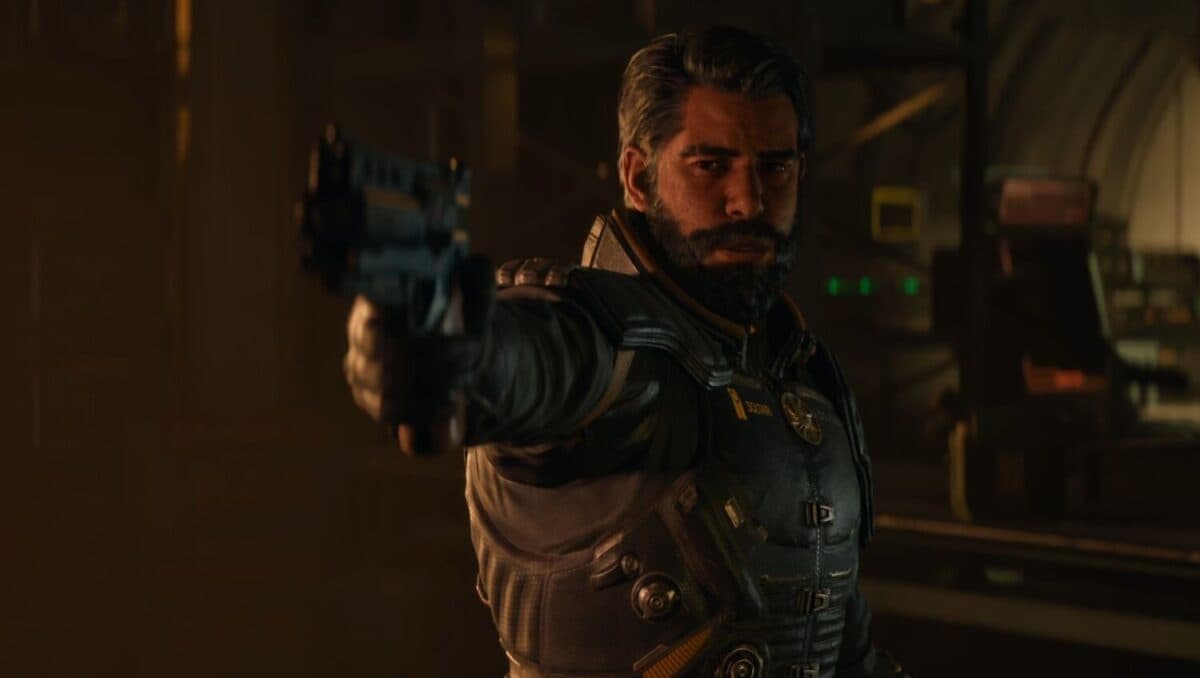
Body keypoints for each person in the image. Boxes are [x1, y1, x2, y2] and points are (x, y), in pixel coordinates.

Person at [344, 25, 904, 678]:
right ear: (639, 179)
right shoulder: (597, 341)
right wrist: (443, 348)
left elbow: (838, 637)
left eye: (774, 168)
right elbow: (525, 364)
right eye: (711, 165)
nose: (749, 201)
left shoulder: (802, 371)